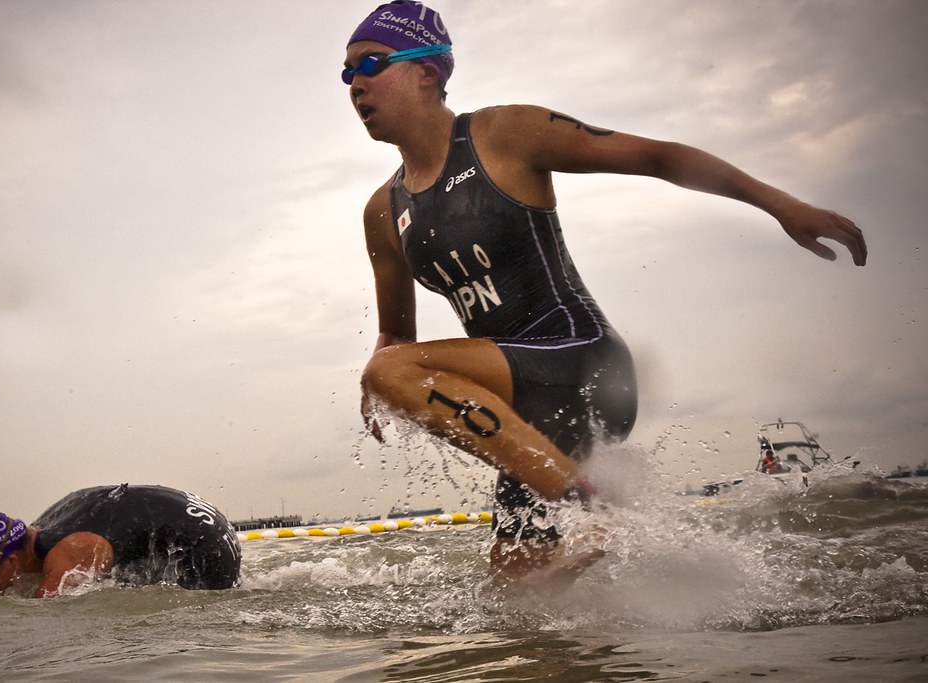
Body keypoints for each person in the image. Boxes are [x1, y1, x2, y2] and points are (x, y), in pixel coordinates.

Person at [344, 1, 867, 580]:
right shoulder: (382, 212)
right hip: (522, 423)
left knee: (391, 372)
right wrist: (381, 380)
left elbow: (657, 157)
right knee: (522, 604)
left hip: (584, 365)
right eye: (346, 75)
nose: (355, 84)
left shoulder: (504, 134)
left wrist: (783, 205)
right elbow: (396, 335)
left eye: (370, 63)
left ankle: (596, 508)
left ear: (428, 72)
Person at [0, 484, 242, 597]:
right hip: (209, 519)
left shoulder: (65, 554)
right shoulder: (42, 529)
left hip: (210, 547)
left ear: (12, 561)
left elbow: (48, 614)